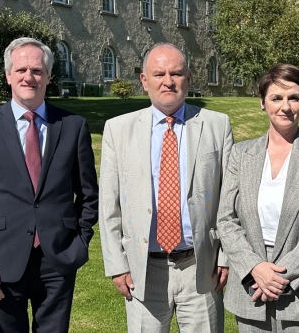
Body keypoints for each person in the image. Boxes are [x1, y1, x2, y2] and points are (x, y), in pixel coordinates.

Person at [0, 37, 99, 333]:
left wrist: (79, 243)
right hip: (1, 259)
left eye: (37, 70)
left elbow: (88, 193)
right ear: (8, 75)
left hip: (57, 259)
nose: (28, 77)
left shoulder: (72, 126)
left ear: (48, 76)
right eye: (20, 69)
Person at [99, 42, 233, 332]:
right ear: (144, 81)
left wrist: (225, 256)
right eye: (159, 74)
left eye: (176, 73)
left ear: (189, 77)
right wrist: (116, 264)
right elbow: (109, 205)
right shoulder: (118, 129)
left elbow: (228, 199)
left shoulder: (216, 125)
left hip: (201, 266)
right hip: (143, 268)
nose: (168, 81)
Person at [217, 64, 299, 332]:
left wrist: (279, 276)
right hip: (251, 287)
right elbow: (226, 219)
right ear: (263, 103)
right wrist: (255, 268)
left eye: (294, 97)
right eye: (276, 98)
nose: (286, 106)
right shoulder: (241, 154)